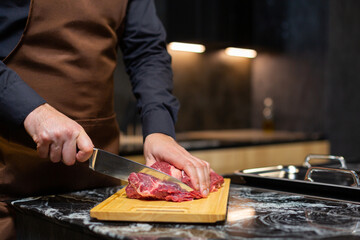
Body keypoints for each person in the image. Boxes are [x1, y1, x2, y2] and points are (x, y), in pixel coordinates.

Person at [0, 0, 211, 239]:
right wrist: (32, 111)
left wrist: (159, 129)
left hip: (97, 193)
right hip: (9, 191)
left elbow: (147, 51)